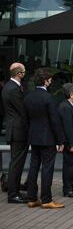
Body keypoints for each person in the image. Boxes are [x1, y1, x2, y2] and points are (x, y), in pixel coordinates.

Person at [24, 69, 65, 209]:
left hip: (34, 137)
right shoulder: (48, 97)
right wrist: (60, 140)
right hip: (47, 138)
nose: (51, 81)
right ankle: (46, 199)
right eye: (50, 79)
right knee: (47, 168)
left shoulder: (28, 97)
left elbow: (27, 119)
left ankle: (31, 198)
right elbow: (55, 121)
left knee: (33, 167)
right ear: (46, 81)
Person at [2, 62, 29, 203]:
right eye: (24, 72)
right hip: (18, 131)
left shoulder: (9, 86)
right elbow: (22, 111)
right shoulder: (13, 89)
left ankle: (14, 191)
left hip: (14, 130)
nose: (25, 74)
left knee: (16, 162)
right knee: (16, 163)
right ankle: (13, 194)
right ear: (19, 74)